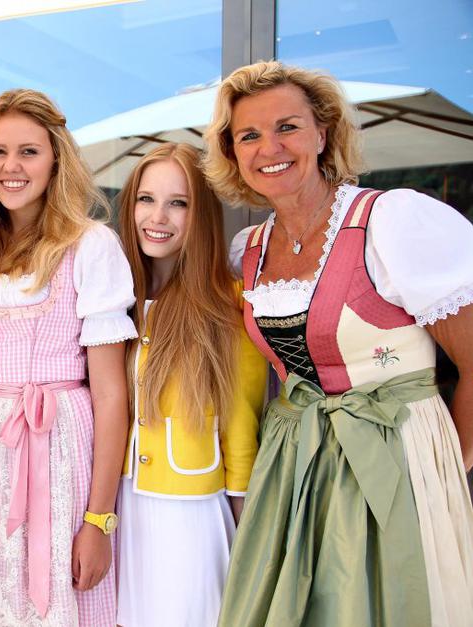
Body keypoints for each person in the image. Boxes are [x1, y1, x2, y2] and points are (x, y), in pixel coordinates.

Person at [203, 60, 473, 626]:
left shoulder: (390, 223)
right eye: (248, 135)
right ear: (232, 153)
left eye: (288, 126)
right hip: (295, 463)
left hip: (394, 456)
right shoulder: (249, 249)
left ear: (323, 134)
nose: (269, 147)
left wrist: (443, 470)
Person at [0, 88, 136, 627]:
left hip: (58, 442)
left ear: (55, 160)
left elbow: (111, 395)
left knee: (56, 587)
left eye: (29, 151)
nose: (12, 166)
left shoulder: (90, 244)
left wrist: (99, 519)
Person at [113, 143, 267, 627]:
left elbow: (241, 424)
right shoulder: (112, 298)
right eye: (146, 198)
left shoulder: (229, 304)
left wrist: (247, 534)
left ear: (200, 215)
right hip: (117, 509)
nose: (157, 217)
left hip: (190, 515)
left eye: (178, 203)